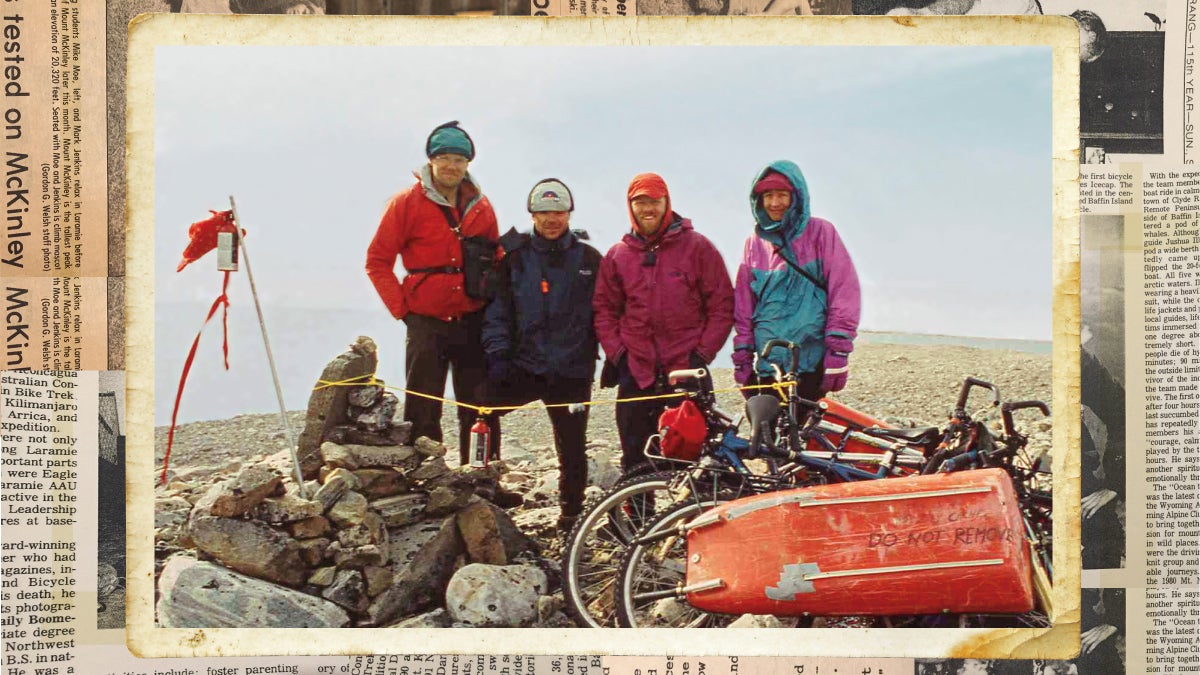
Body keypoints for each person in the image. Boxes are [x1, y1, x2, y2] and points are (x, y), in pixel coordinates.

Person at [366, 121, 501, 466]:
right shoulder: (406, 204)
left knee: (479, 405)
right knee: (423, 407)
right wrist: (403, 311)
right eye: (444, 158)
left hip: (472, 318)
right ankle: (426, 479)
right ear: (431, 161)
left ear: (469, 163)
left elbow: (495, 257)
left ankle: (481, 478)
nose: (452, 166)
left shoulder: (481, 206)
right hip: (426, 321)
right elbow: (377, 261)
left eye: (459, 159)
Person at [481, 178, 602, 533]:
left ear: (569, 214)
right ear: (532, 214)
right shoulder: (514, 258)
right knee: (483, 411)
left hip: (572, 370)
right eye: (544, 212)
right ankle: (485, 490)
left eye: (559, 212)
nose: (552, 220)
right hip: (525, 364)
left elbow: (607, 311)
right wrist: (498, 353)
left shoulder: (589, 259)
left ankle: (571, 514)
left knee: (572, 445)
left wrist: (615, 356)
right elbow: (498, 310)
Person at [593, 173, 734, 473]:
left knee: (694, 458)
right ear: (630, 206)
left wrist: (702, 354)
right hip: (637, 373)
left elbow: (722, 305)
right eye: (640, 202)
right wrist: (620, 355)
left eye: (654, 201)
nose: (648, 209)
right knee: (635, 459)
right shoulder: (617, 256)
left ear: (667, 203)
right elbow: (604, 310)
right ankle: (636, 521)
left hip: (687, 370)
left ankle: (695, 519)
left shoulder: (698, 247)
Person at [732, 160, 861, 401]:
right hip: (768, 366)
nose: (774, 203)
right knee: (764, 435)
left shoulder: (822, 233)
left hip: (812, 363)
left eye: (782, 195)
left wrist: (838, 354)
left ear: (797, 197)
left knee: (804, 435)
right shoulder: (753, 244)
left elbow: (844, 293)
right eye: (768, 195)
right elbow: (743, 307)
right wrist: (742, 359)